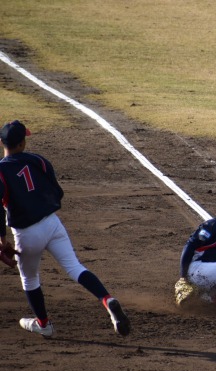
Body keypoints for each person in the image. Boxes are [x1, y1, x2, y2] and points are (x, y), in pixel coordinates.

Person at [0, 120, 130, 338]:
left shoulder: (1, 170)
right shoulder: (38, 160)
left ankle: (44, 324)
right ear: (22, 143)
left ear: (2, 142)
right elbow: (57, 191)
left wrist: (2, 239)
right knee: (74, 267)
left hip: (26, 234)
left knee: (30, 279)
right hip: (52, 224)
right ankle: (107, 300)